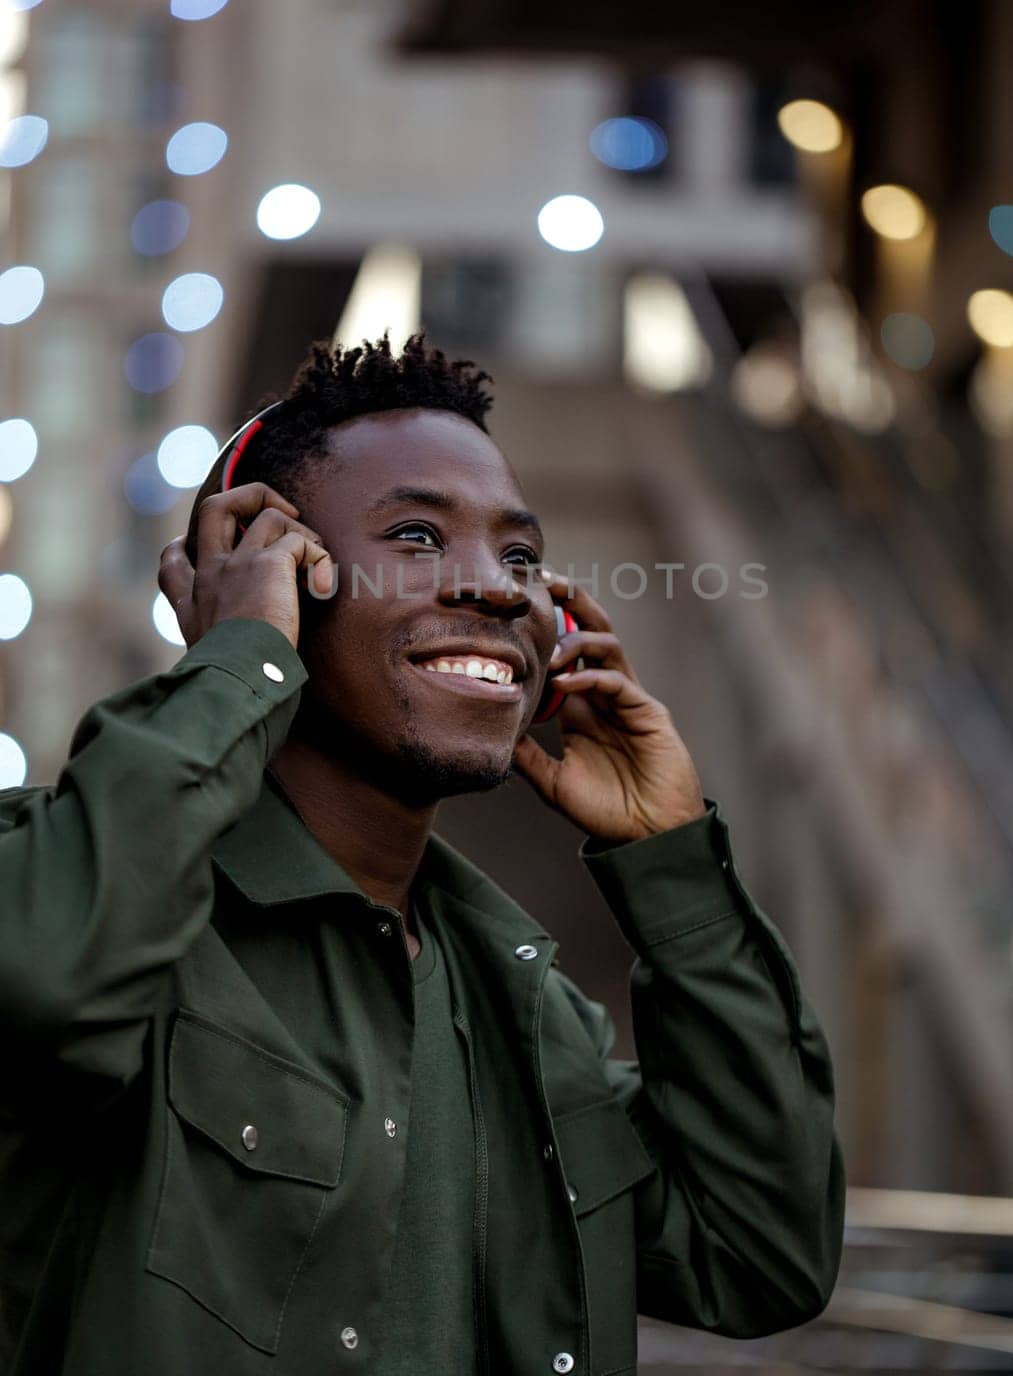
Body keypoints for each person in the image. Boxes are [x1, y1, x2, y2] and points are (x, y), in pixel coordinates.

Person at [0, 332, 845, 1375]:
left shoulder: (527, 1016)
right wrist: (235, 663)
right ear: (273, 573)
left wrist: (670, 863)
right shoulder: (72, 891)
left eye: (522, 556)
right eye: (414, 535)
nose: (496, 590)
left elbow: (760, 1251)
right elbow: (40, 984)